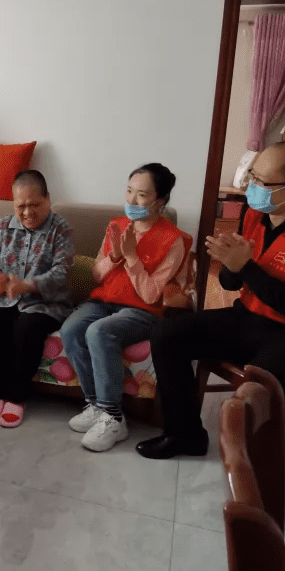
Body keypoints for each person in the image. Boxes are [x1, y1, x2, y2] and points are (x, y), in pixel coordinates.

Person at [138, 141, 285, 460]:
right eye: (252, 176)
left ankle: (264, 469)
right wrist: (231, 264)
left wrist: (246, 266)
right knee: (167, 334)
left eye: (261, 182)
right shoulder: (255, 214)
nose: (251, 187)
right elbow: (231, 283)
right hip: (251, 319)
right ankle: (184, 435)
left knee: (264, 376)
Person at [62, 163, 191, 452]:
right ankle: (95, 404)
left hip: (143, 311)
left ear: (160, 201)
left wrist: (132, 257)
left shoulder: (174, 240)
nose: (131, 200)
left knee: (99, 332)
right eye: (129, 190)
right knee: (71, 329)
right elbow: (96, 275)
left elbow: (151, 295)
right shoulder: (116, 226)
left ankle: (113, 417)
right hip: (104, 301)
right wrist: (115, 257)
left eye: (142, 195)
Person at [0, 170, 75, 427]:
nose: (28, 212)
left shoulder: (61, 228)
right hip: (5, 298)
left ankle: (17, 397)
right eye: (21, 206)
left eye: (35, 205)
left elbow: (61, 273)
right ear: (13, 203)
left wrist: (28, 285)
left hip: (46, 303)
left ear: (48, 199)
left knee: (26, 327)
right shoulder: (3, 225)